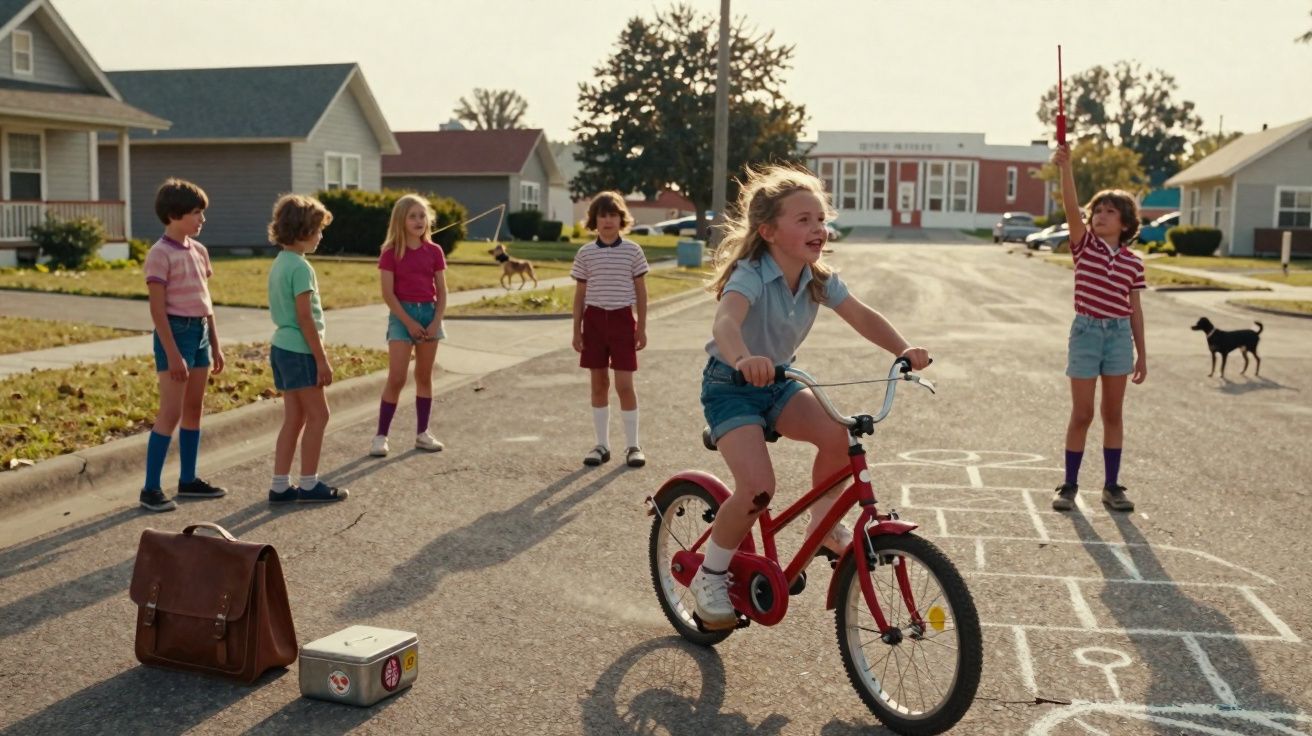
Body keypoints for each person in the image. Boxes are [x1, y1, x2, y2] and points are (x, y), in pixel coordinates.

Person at [690, 165, 931, 630]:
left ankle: (823, 527)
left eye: (820, 219)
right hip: (731, 385)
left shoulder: (818, 278)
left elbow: (862, 315)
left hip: (779, 383)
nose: (818, 228)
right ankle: (711, 574)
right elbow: (726, 322)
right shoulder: (751, 274)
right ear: (768, 231)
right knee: (758, 489)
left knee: (841, 438)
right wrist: (743, 358)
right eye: (803, 220)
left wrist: (903, 349)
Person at [1050, 144, 1147, 513]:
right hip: (1086, 334)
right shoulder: (1084, 247)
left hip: (1119, 337)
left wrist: (1141, 354)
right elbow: (1071, 206)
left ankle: (1111, 486)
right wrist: (1066, 168)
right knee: (1082, 414)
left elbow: (1135, 310)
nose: (1101, 216)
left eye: (1110, 211)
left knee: (1112, 414)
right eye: (1098, 211)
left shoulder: (1133, 263)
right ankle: (1069, 484)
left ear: (1126, 223)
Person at [139, 178, 226, 512]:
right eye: (195, 212)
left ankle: (188, 480)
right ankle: (150, 488)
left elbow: (206, 301)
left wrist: (215, 343)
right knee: (171, 412)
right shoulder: (159, 254)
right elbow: (157, 310)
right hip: (175, 334)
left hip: (200, 332)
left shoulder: (199, 251)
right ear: (174, 214)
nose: (202, 219)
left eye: (202, 212)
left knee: (193, 409)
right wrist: (173, 354)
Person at [265, 194, 349, 504]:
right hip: (300, 351)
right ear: (303, 231)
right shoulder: (301, 268)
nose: (321, 236)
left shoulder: (280, 263)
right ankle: (309, 484)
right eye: (318, 230)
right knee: (319, 415)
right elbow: (305, 317)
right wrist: (321, 359)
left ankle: (279, 486)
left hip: (282, 348)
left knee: (294, 418)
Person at [570, 191, 650, 468]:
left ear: (621, 219)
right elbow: (580, 295)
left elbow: (641, 292)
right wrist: (576, 330)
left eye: (613, 215)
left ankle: (633, 445)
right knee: (599, 384)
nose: (607, 220)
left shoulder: (633, 251)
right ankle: (601, 445)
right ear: (594, 220)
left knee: (624, 386)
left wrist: (641, 327)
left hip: (622, 321)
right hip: (593, 322)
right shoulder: (585, 253)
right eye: (602, 215)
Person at [369, 194, 448, 456]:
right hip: (402, 317)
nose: (419, 220)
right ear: (400, 220)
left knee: (424, 376)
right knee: (397, 378)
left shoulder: (434, 251)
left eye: (422, 215)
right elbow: (387, 294)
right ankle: (381, 436)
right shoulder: (391, 252)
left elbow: (442, 291)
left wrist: (435, 321)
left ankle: (423, 434)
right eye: (412, 216)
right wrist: (409, 322)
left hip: (429, 315)